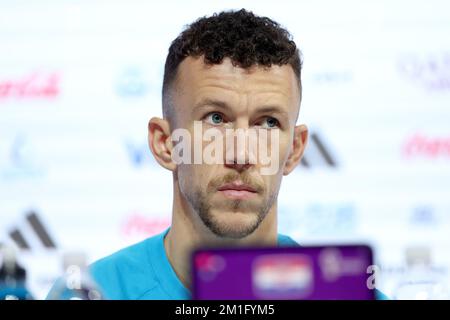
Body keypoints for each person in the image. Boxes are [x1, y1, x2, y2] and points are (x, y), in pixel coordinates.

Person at [48, 8, 386, 300]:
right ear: (166, 143)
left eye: (268, 122)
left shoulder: (349, 295)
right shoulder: (92, 293)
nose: (241, 154)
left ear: (295, 150)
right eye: (216, 119)